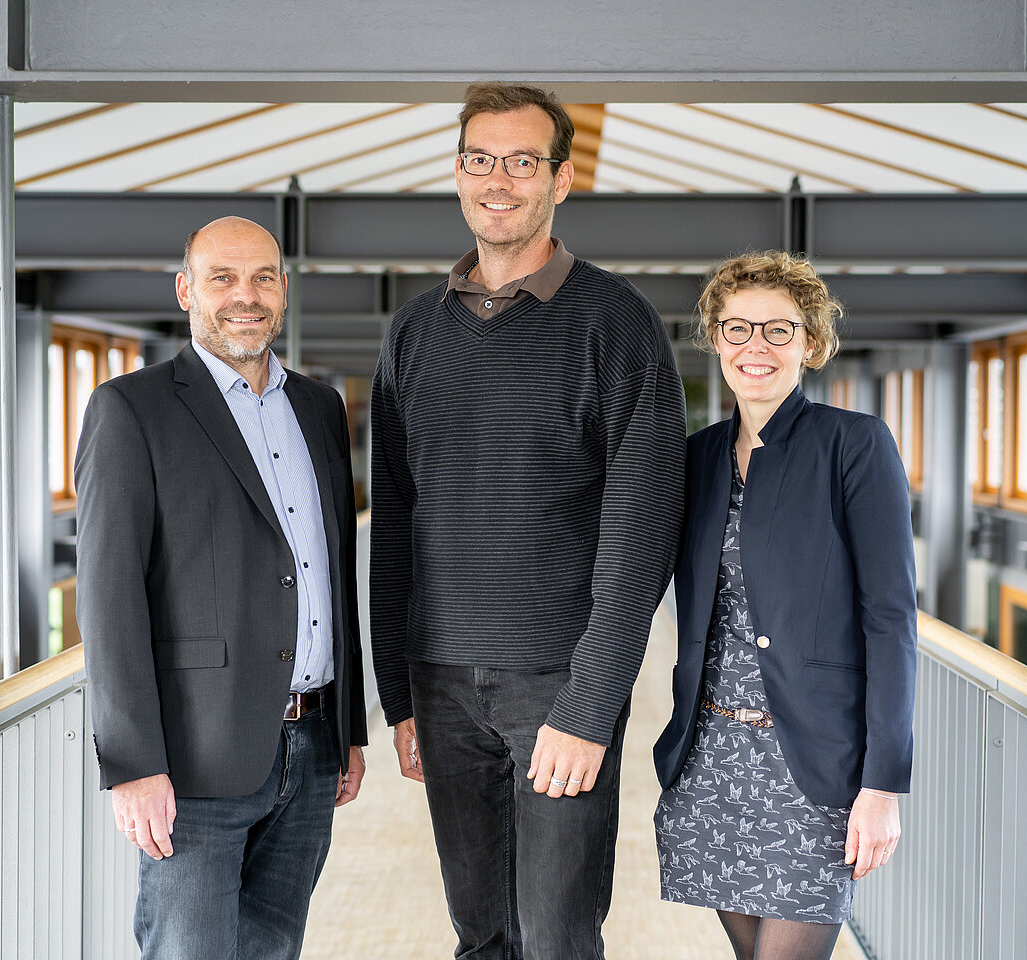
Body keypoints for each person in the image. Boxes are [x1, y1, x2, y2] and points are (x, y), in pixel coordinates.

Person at [370, 82, 686, 959]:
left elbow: (644, 528)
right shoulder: (411, 333)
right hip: (440, 683)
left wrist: (591, 704)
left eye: (521, 161)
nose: (497, 180)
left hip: (559, 679)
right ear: (458, 172)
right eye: (479, 159)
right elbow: (394, 518)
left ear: (562, 178)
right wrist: (398, 693)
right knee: (479, 933)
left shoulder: (617, 324)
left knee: (556, 936)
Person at [75, 216, 367, 960]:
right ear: (186, 291)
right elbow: (109, 601)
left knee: (274, 948)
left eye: (263, 277)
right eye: (223, 278)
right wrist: (133, 764)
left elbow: (329, 567)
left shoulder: (319, 407)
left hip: (311, 745)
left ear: (284, 290)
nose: (247, 295)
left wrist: (348, 727)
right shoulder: (131, 409)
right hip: (194, 757)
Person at [653, 251, 916, 960]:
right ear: (714, 339)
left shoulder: (854, 446)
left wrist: (882, 785)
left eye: (778, 329)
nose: (755, 347)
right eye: (737, 329)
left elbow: (891, 620)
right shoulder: (694, 457)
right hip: (710, 761)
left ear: (810, 342)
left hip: (814, 768)